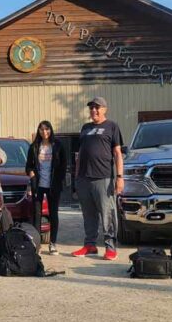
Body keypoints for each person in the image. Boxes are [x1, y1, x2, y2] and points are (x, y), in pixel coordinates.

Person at [71, 97, 124, 261]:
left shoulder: (112, 126)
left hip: (103, 178)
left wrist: (120, 177)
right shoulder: (85, 128)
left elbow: (117, 153)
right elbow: (80, 155)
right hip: (84, 179)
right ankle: (90, 245)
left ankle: (110, 247)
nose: (93, 110)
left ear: (105, 109)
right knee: (88, 215)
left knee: (108, 214)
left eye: (97, 107)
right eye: (91, 108)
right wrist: (76, 178)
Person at [25, 120, 67, 256]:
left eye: (47, 129)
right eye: (42, 129)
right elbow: (28, 166)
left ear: (51, 130)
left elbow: (63, 165)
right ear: (39, 131)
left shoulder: (58, 145)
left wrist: (59, 180)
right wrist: (31, 175)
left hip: (53, 185)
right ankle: (36, 244)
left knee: (53, 214)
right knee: (37, 214)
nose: (44, 132)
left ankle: (52, 243)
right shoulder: (34, 146)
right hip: (38, 185)